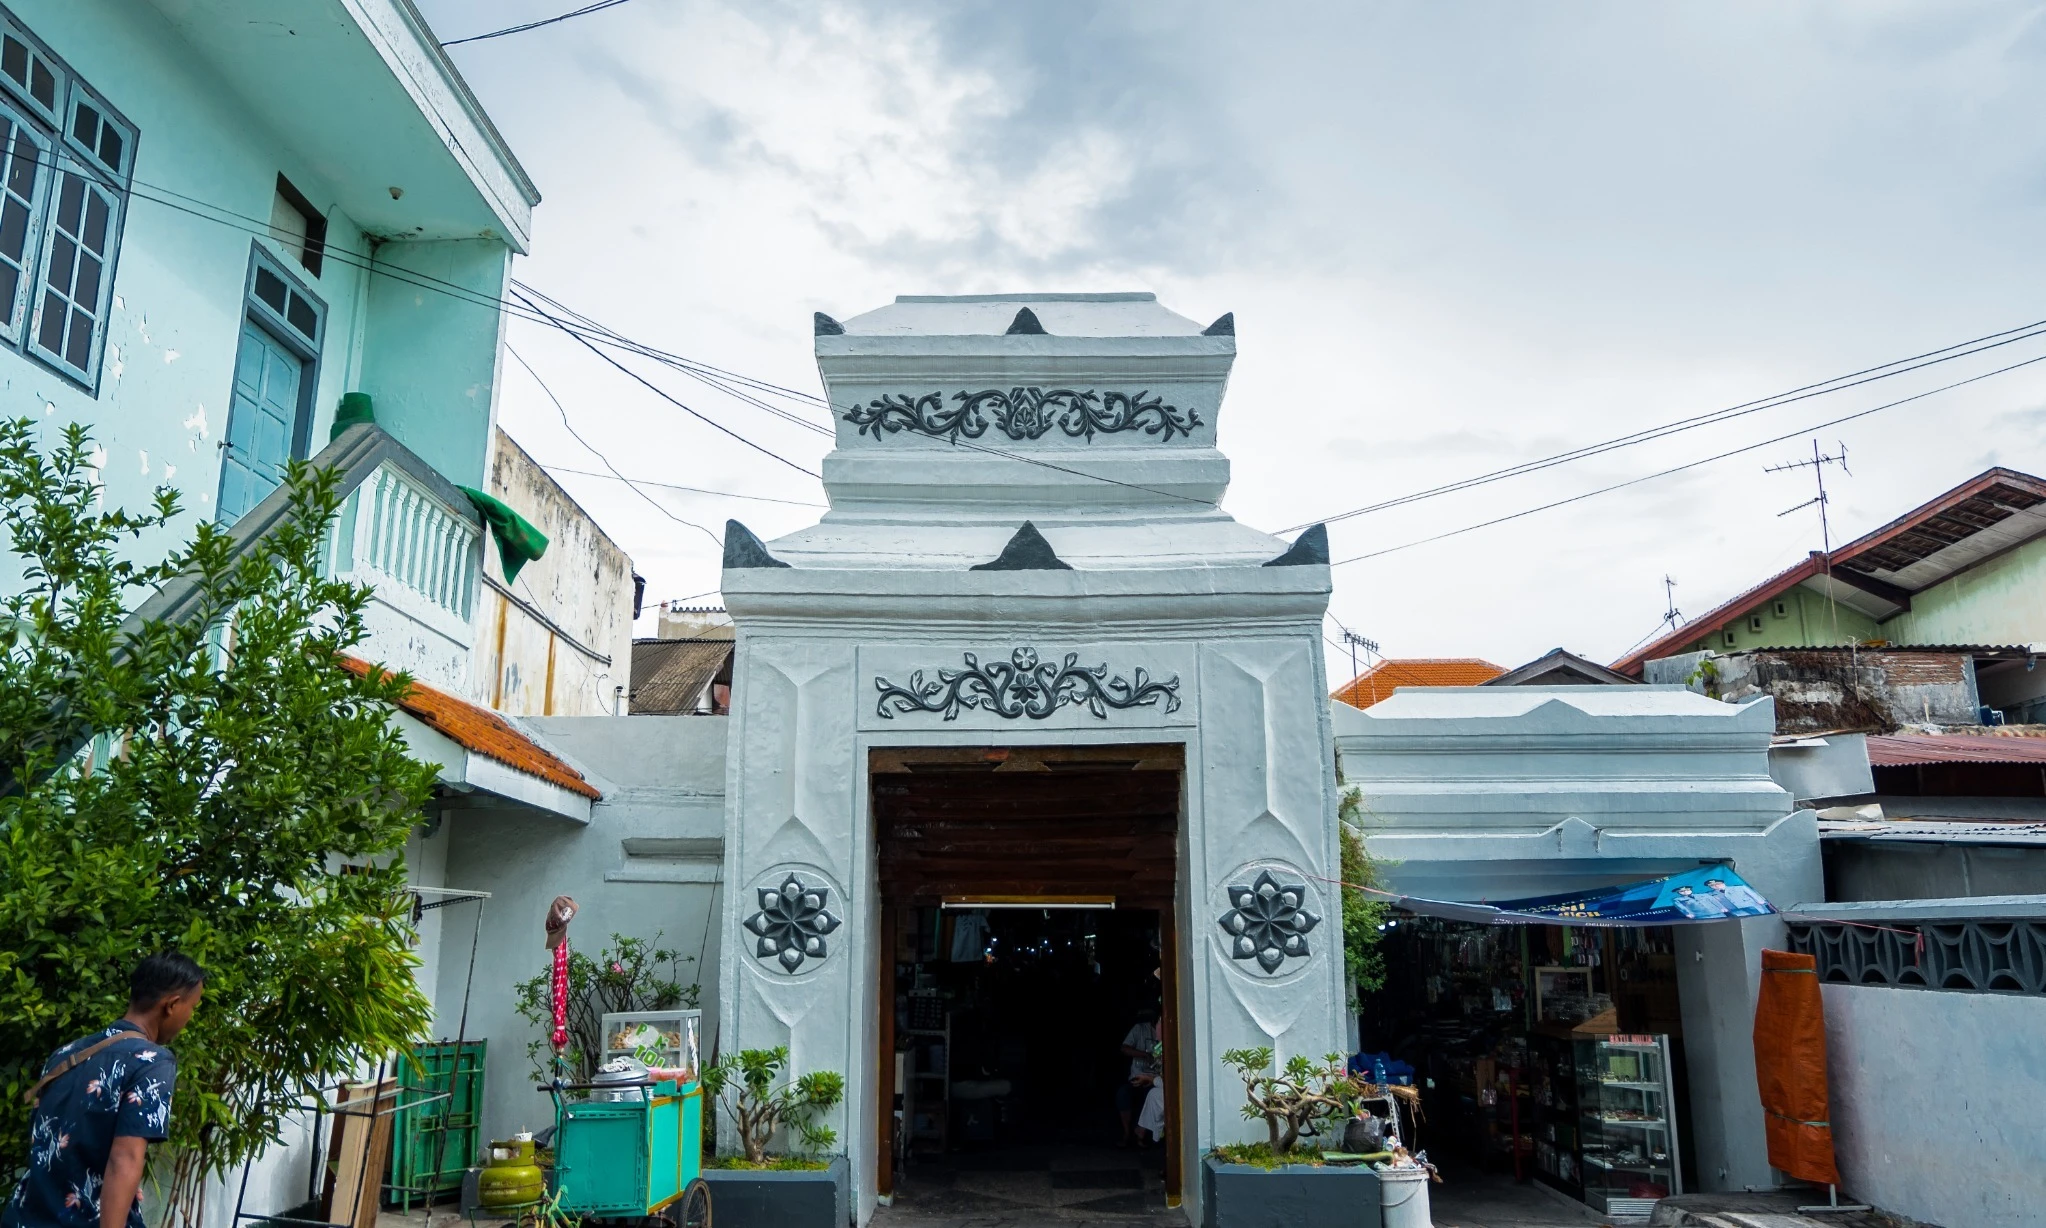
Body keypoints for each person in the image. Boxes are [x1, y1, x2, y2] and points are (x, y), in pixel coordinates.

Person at [5, 954, 206, 1228]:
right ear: (171, 1005)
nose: (190, 1017)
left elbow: (46, 1142)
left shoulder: (65, 1054)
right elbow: (124, 1159)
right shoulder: (151, 1061)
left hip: (23, 1218)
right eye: (192, 1007)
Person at [1115, 1007, 1161, 1148]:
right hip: (1137, 1078)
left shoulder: (1167, 1031)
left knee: (1153, 1095)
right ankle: (1127, 1133)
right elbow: (1124, 1048)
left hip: (1156, 1080)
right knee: (1123, 1094)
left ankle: (1141, 1135)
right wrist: (1145, 1055)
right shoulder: (1139, 1029)